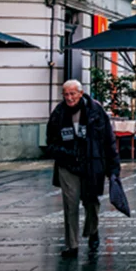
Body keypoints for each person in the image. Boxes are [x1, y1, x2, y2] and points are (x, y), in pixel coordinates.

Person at [46, 80, 119, 258]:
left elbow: (108, 140)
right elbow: (51, 141)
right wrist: (65, 153)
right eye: (66, 94)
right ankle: (72, 245)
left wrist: (113, 168)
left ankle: (92, 231)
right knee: (70, 204)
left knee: (91, 202)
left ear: (80, 93)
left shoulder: (95, 110)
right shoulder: (59, 113)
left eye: (72, 94)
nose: (69, 98)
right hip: (67, 164)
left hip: (91, 163)